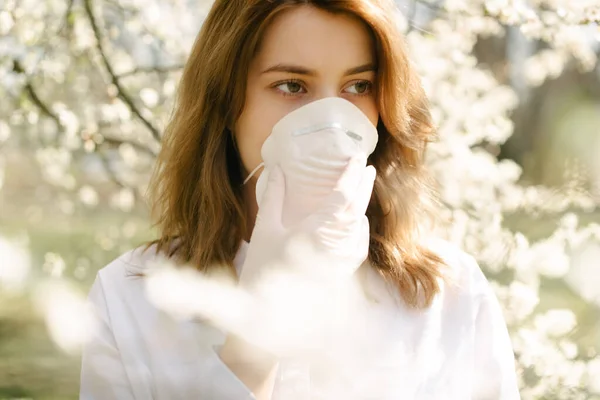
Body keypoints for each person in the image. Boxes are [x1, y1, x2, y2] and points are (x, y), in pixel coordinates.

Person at [79, 0, 521, 399]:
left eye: (359, 86)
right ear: (225, 105)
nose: (331, 119)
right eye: (292, 85)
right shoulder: (128, 302)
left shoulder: (450, 295)